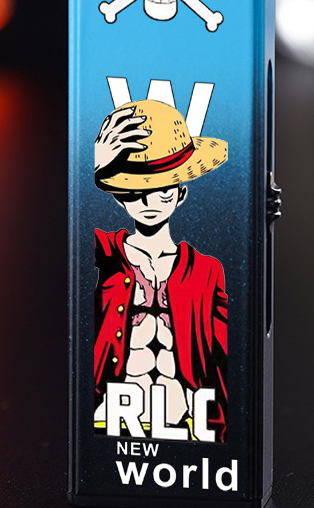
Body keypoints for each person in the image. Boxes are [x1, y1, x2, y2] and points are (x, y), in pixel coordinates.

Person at [92, 99, 229, 441]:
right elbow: (64, 240)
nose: (149, 202)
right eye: (135, 192)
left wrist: (223, 427)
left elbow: (223, 353)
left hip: (189, 419)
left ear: (181, 194)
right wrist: (99, 167)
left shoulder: (206, 271)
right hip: (111, 417)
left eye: (162, 190)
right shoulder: (106, 253)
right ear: (119, 198)